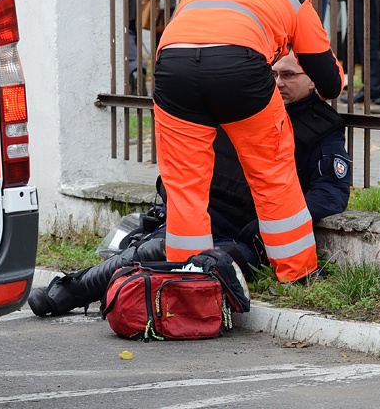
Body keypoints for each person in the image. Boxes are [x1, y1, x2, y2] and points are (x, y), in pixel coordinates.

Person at [28, 51, 352, 317]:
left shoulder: (321, 128)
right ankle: (68, 292)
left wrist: (275, 222)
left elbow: (331, 193)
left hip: (246, 235)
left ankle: (137, 305)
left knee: (205, 265)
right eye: (274, 74)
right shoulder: (244, 103)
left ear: (311, 80)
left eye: (289, 76)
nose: (278, 82)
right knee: (153, 249)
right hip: (201, 214)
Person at [153, 0, 343, 284]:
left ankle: (189, 280)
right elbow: (328, 79)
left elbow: (189, 32)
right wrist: (325, 86)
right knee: (271, 170)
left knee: (185, 182)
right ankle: (299, 273)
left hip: (173, 65)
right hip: (237, 64)